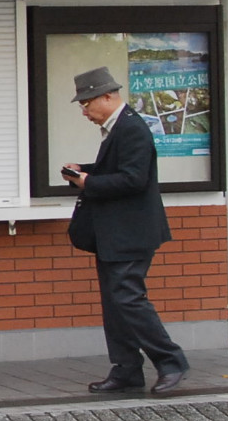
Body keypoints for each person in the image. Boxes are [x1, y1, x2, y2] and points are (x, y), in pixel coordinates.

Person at [64, 64, 188, 395]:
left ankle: (171, 362)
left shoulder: (131, 128)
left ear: (106, 96)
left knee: (128, 298)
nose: (85, 112)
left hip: (131, 233)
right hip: (115, 234)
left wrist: (87, 182)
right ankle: (126, 369)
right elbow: (119, 171)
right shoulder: (119, 128)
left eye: (87, 104)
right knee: (115, 300)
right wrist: (84, 171)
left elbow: (134, 179)